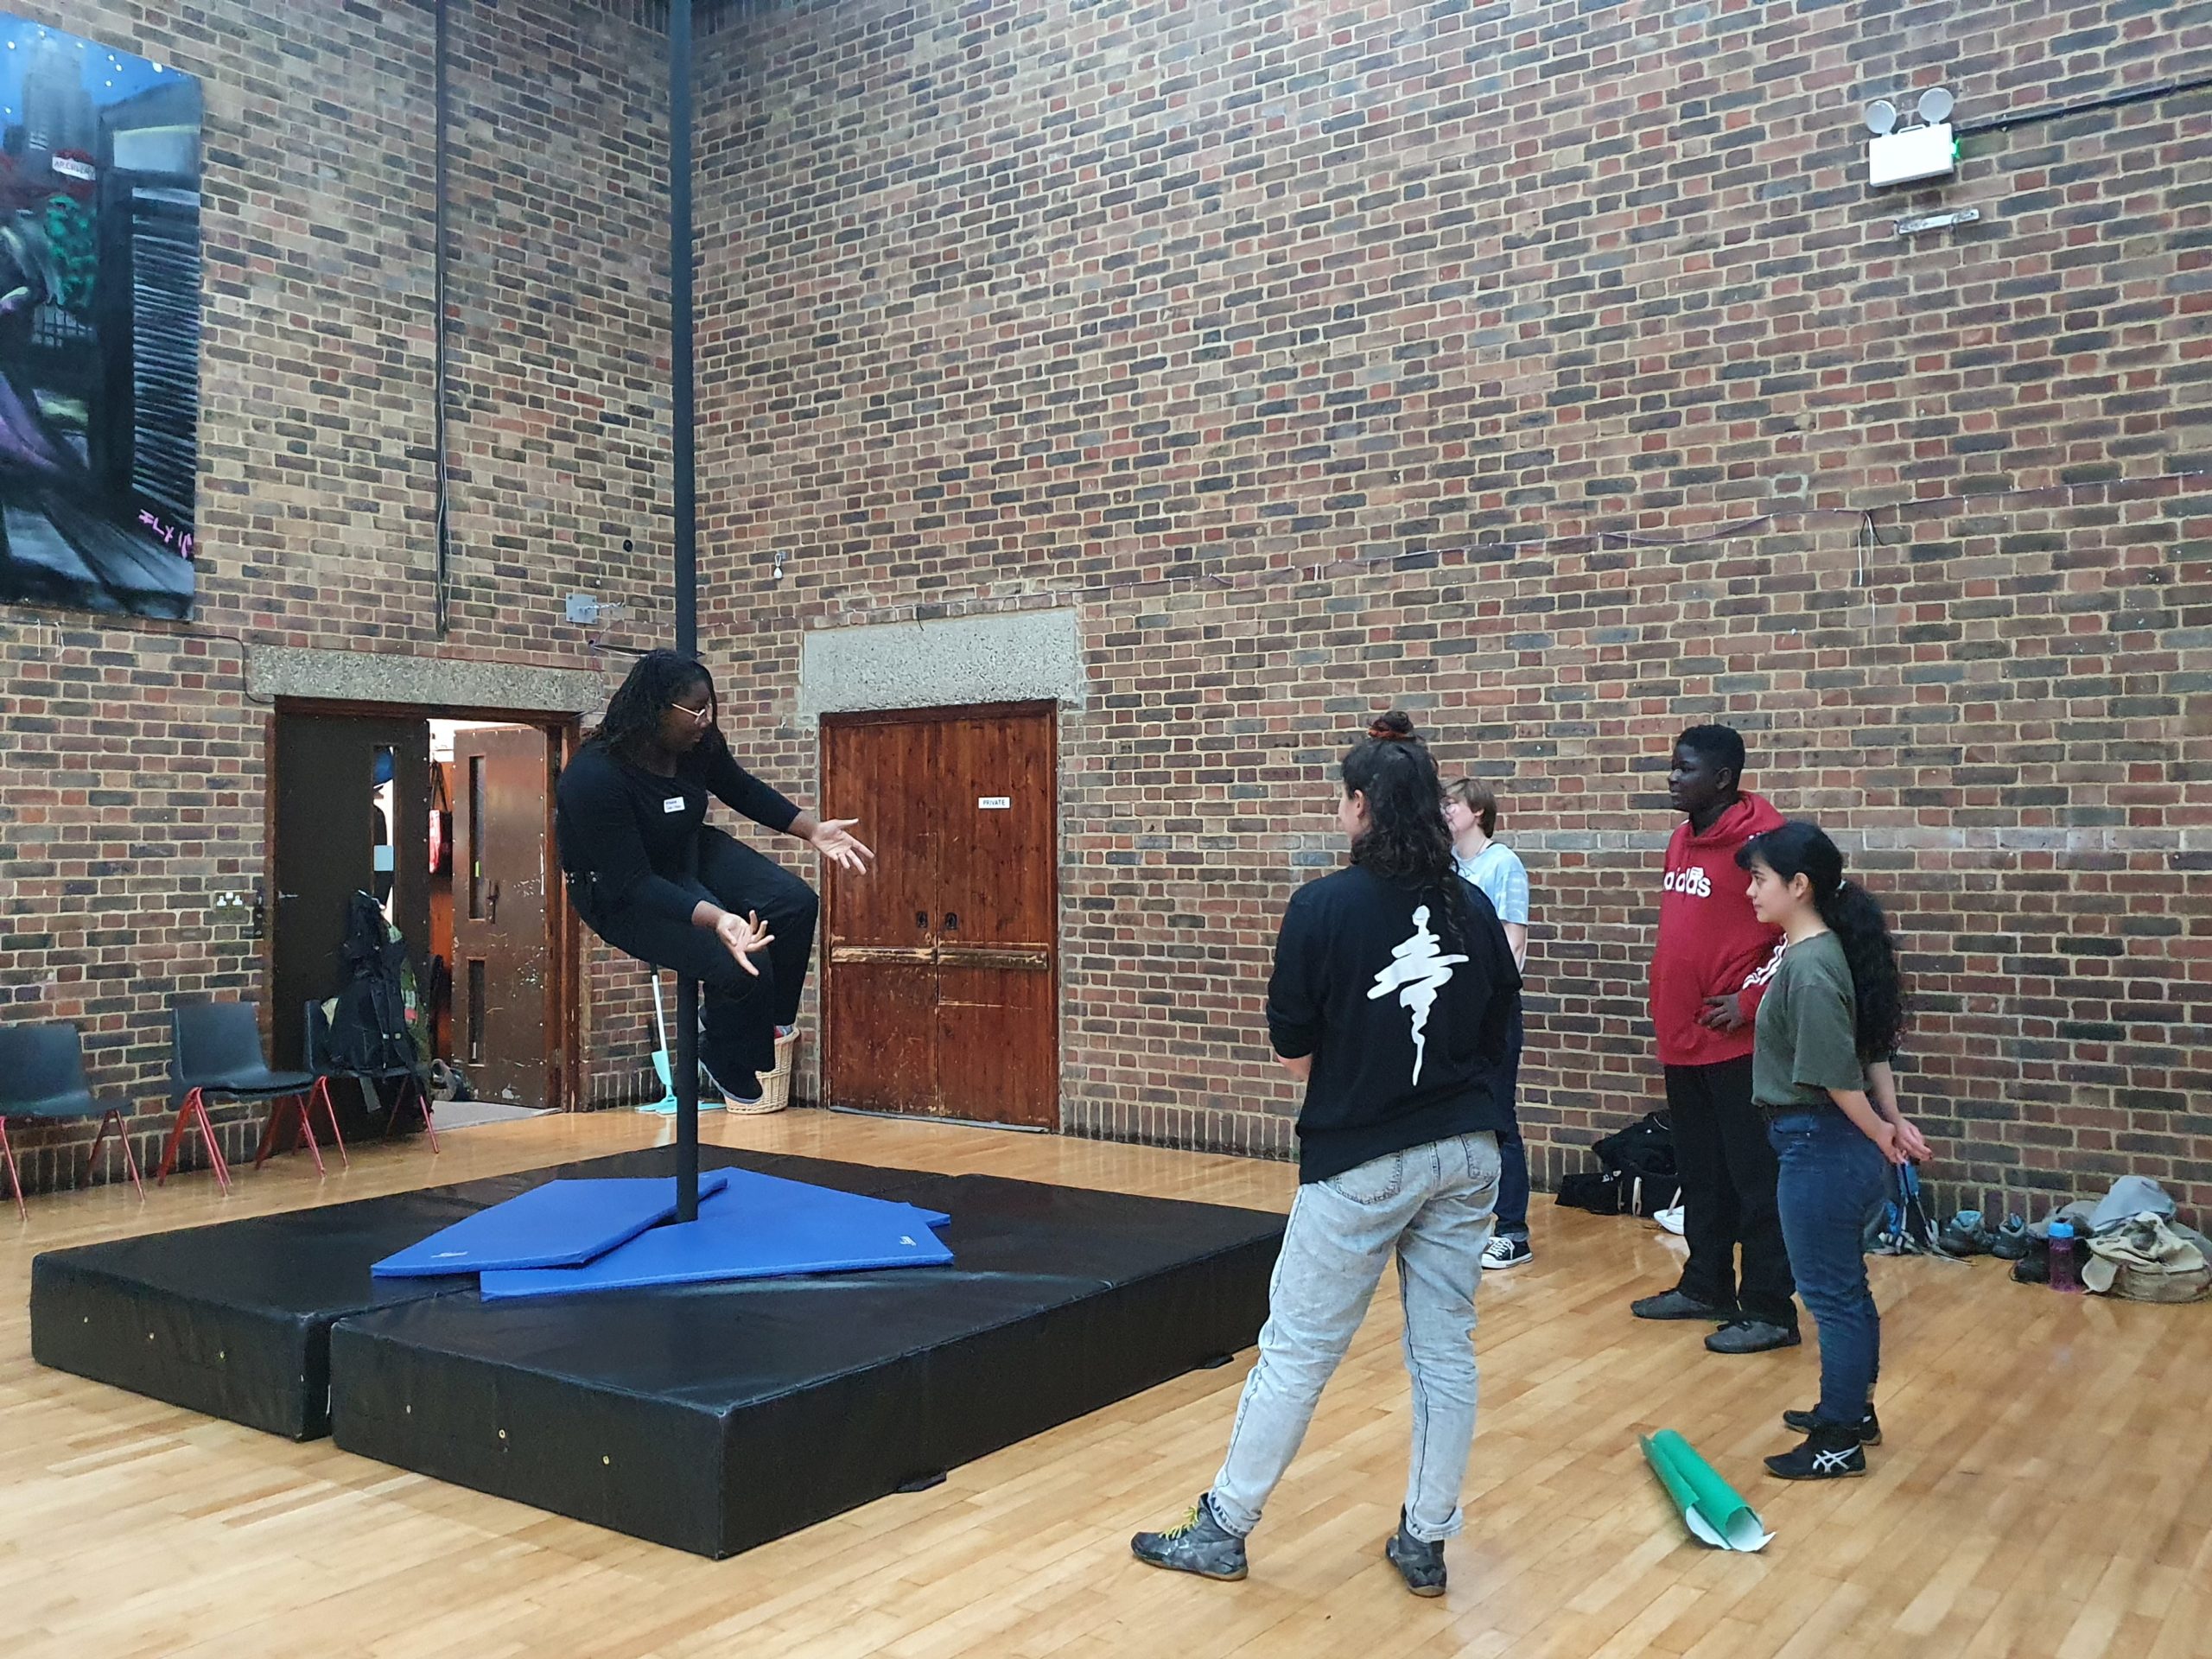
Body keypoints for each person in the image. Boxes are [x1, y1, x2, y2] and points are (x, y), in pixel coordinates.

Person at [1130, 712, 1521, 1598]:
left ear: (1358, 808)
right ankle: (1424, 1541)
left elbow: (1294, 1051)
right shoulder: (1475, 906)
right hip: (1466, 1152)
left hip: (1362, 1159)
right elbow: (1498, 1030)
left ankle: (1224, 1527)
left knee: (1298, 1349)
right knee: (1445, 1353)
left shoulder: (1321, 907)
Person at [555, 650, 874, 1105]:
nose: (707, 720)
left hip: (686, 846)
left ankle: (760, 1026)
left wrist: (812, 829)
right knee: (742, 962)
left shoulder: (696, 746)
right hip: (619, 889)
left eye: (711, 707)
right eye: (696, 710)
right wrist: (718, 919)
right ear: (657, 710)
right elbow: (633, 881)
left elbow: (740, 788)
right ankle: (722, 1052)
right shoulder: (593, 777)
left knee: (794, 903)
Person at [1735, 822, 1929, 1478]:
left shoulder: (1813, 965)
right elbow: (1870, 1050)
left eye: (1759, 879)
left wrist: (1881, 1131)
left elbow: (1834, 1073)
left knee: (1831, 1296)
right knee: (1844, 1288)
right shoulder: (1822, 953)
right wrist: (1891, 1120)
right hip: (1827, 1144)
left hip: (1819, 1146)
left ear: (1799, 886)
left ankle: (1839, 1440)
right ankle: (1851, 1409)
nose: (1750, 891)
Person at [1630, 725, 1796, 1354]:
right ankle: (1705, 1286)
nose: (1672, 778)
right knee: (1701, 1175)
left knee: (1756, 1181)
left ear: (1722, 777)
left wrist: (1750, 1000)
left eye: (1684, 768)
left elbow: (1799, 927)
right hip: (1683, 1039)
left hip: (1739, 1044)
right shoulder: (1680, 838)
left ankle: (1770, 1310)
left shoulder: (1767, 843)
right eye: (1673, 767)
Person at [1443, 778, 1534, 1268]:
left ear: (1478, 811)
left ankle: (1514, 1228)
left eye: (1452, 803)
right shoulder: (1448, 869)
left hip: (1491, 1012)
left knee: (1499, 1114)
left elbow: (1511, 944)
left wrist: (1484, 1003)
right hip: (1453, 1012)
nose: (1444, 811)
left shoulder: (1503, 865)